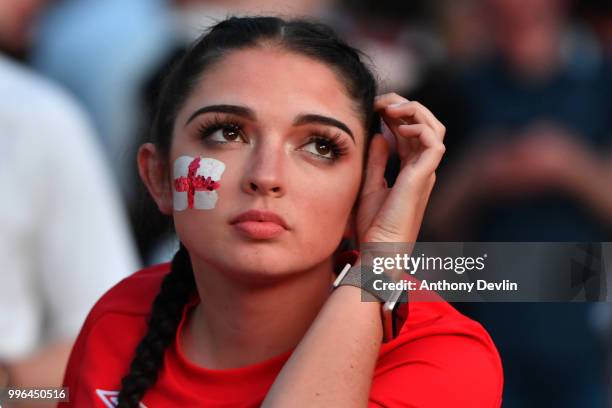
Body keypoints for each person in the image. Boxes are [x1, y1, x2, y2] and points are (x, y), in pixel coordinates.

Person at [59, 16, 503, 407]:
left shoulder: (443, 356)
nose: (266, 175)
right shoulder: (120, 315)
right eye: (226, 133)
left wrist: (380, 264)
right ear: (159, 177)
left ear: (366, 185)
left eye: (319, 145)